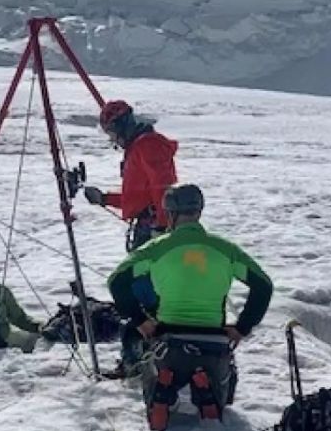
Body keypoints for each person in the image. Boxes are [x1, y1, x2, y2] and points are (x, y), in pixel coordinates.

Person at [106, 184, 274, 430]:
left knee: (156, 365)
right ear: (199, 212)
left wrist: (141, 321)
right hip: (214, 345)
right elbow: (263, 286)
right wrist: (242, 327)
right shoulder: (225, 249)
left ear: (170, 214)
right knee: (221, 390)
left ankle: (162, 391)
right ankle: (206, 392)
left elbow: (117, 281)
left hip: (168, 341)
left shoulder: (157, 248)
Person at [84, 100, 178, 252]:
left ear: (120, 127)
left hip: (154, 228)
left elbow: (162, 187)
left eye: (111, 133)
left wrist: (161, 228)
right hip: (148, 225)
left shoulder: (148, 145)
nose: (112, 139)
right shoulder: (137, 148)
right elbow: (138, 197)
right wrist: (104, 199)